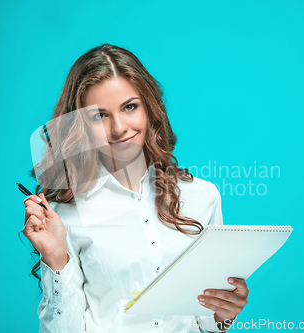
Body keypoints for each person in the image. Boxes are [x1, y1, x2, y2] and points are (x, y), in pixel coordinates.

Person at [22, 44, 249, 333]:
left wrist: (223, 315)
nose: (119, 128)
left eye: (130, 107)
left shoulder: (203, 197)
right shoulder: (62, 215)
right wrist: (55, 260)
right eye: (99, 116)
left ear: (150, 107)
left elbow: (205, 325)